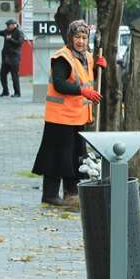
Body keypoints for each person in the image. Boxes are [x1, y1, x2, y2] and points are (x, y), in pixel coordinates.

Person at [31, 20, 106, 206]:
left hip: (77, 116)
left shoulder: (86, 56)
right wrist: (82, 91)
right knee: (56, 156)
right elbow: (60, 84)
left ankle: (71, 193)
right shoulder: (62, 57)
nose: (80, 41)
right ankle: (50, 195)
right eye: (77, 37)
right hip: (59, 118)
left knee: (75, 157)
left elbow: (86, 78)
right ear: (70, 38)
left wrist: (98, 68)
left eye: (84, 37)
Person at [0, 19, 24, 97]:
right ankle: (5, 91)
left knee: (14, 76)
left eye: (8, 25)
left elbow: (19, 43)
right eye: (6, 25)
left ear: (14, 25)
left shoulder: (19, 32)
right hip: (6, 58)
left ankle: (17, 92)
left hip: (14, 58)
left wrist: (11, 39)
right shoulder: (6, 32)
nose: (7, 27)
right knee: (2, 75)